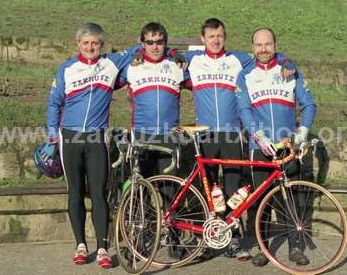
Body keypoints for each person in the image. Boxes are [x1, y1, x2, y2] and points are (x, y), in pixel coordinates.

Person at [182, 18, 296, 260]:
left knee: (233, 188)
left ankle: (232, 239)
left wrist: (287, 61)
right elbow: (167, 56)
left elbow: (268, 54)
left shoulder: (238, 59)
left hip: (233, 133)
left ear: (225, 37)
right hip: (206, 134)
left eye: (220, 36)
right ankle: (211, 238)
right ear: (202, 39)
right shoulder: (192, 61)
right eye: (211, 36)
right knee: (209, 188)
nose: (215, 40)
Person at [46, 22, 140, 268]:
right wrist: (51, 136)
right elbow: (54, 103)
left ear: (102, 45)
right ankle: (80, 244)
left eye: (95, 43)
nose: (90, 47)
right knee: (75, 191)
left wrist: (174, 54)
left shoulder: (110, 64)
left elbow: (139, 48)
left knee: (99, 192)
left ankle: (102, 248)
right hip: (70, 137)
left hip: (96, 138)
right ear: (78, 44)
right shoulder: (67, 68)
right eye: (85, 43)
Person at [235, 27, 317, 266]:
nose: (263, 49)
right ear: (253, 47)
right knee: (261, 202)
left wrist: (303, 131)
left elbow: (309, 104)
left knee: (291, 198)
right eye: (259, 45)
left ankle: (295, 247)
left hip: (287, 145)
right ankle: (263, 249)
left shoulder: (289, 69)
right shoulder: (246, 74)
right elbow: (244, 110)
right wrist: (258, 136)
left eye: (268, 44)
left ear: (275, 44)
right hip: (260, 146)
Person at [116, 22, 188, 178]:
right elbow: (106, 85)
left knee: (169, 188)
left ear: (165, 43)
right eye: (149, 42)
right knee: (142, 193)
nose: (155, 47)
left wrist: (174, 53)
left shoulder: (177, 66)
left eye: (159, 42)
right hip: (141, 135)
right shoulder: (132, 66)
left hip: (169, 135)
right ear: (142, 44)